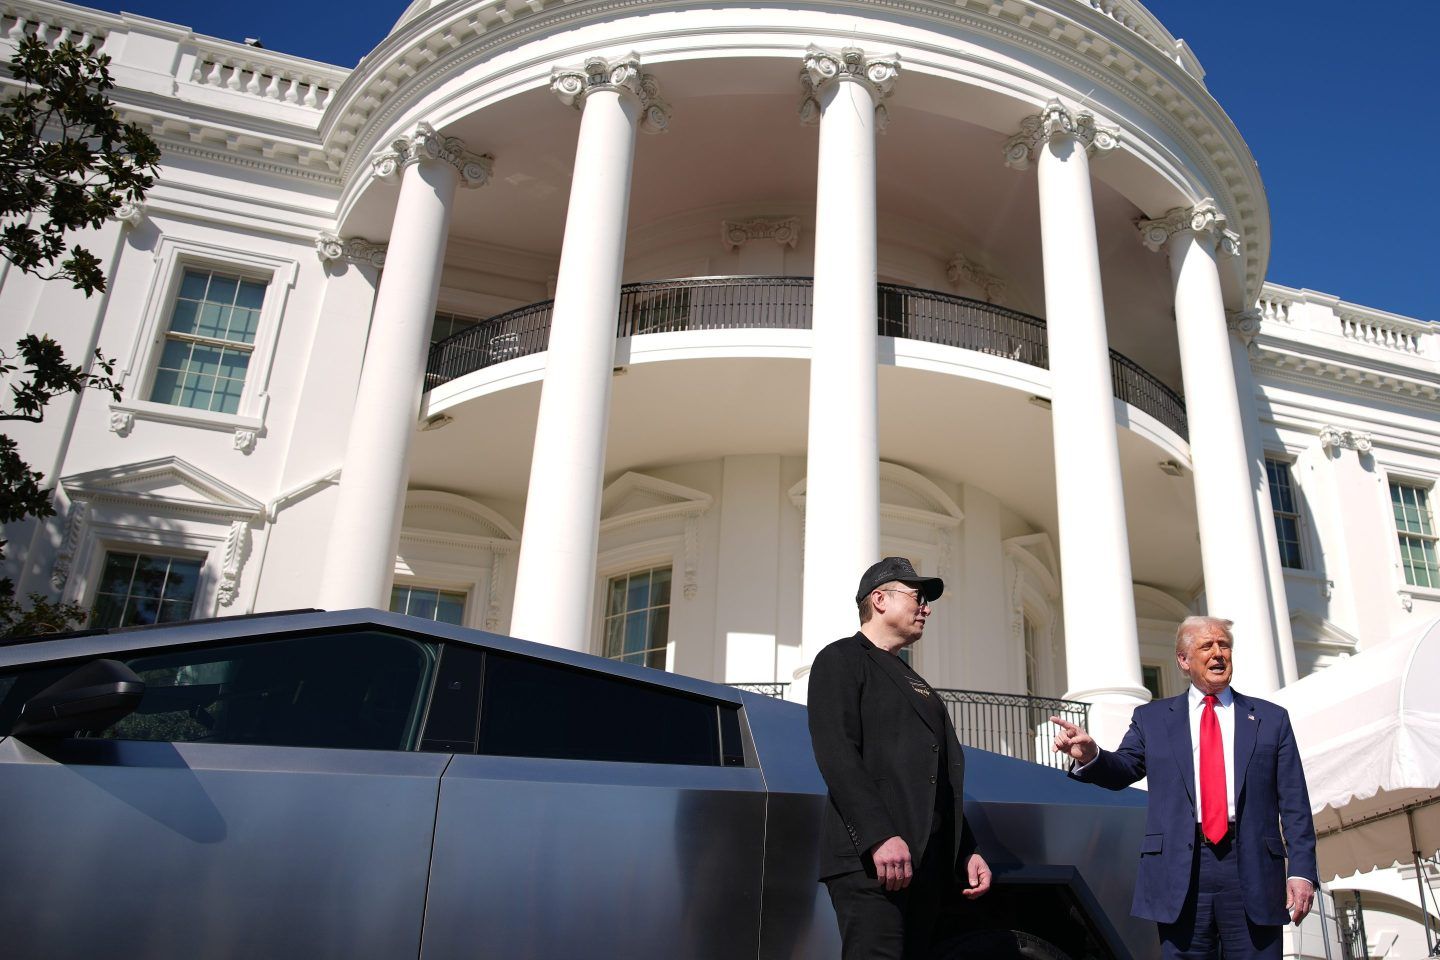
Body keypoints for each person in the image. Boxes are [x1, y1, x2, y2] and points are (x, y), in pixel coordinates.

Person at [1050, 615, 1318, 960]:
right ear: (1183, 660)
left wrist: (1302, 872)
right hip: (1180, 869)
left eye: (1224, 645)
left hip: (1252, 866)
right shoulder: (1152, 718)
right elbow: (1124, 769)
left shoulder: (1271, 718)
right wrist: (1092, 755)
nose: (1219, 653)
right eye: (1207, 646)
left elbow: (1295, 802)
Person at [808, 556, 991, 960]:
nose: (926, 608)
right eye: (917, 597)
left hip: (925, 865)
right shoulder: (841, 659)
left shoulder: (918, 685)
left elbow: (937, 779)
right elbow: (836, 753)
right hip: (873, 861)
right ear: (879, 599)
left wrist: (966, 849)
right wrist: (878, 836)